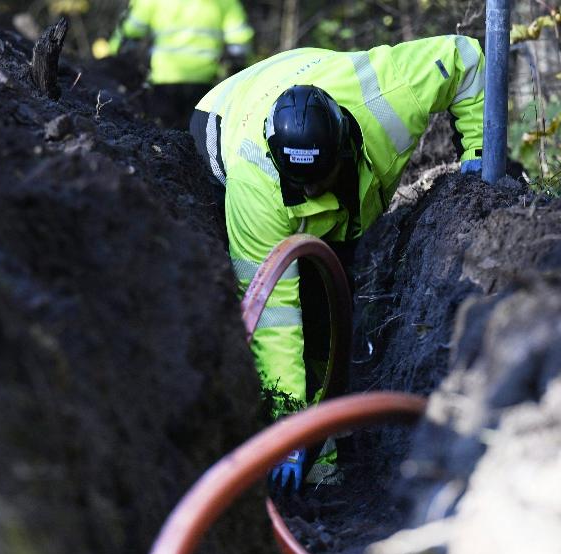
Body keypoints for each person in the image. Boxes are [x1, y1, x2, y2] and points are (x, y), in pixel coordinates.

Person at [190, 36, 487, 491]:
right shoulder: (256, 186)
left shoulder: (390, 95)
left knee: (335, 295)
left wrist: (479, 156)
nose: (311, 193)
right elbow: (273, 315)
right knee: (306, 307)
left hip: (303, 79)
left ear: (344, 147)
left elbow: (463, 57)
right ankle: (315, 452)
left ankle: (328, 425)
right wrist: (287, 430)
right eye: (302, 185)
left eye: (319, 181)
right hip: (223, 117)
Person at [111, 0, 253, 129]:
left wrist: (113, 54)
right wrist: (235, 71)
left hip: (164, 77)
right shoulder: (225, 2)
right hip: (205, 80)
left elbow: (130, 31)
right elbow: (239, 41)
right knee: (197, 134)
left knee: (163, 134)